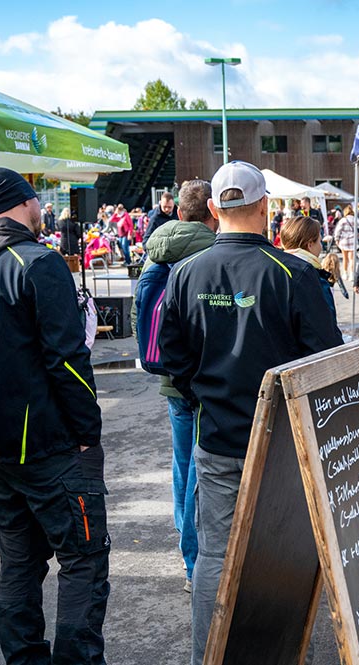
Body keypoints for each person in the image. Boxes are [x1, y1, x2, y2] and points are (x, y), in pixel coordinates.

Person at [157, 161, 342, 665]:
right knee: (283, 556)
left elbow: (166, 358)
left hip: (218, 439)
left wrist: (204, 388)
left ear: (215, 211)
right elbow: (328, 361)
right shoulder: (296, 274)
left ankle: (209, 656)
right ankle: (275, 652)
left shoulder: (184, 274)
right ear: (265, 208)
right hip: (284, 447)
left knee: (215, 559)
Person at [0, 167, 108, 663]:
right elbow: (68, 360)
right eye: (35, 199)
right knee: (83, 560)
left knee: (18, 561)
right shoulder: (36, 262)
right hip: (49, 448)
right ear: (21, 202)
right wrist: (87, 433)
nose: (41, 208)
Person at [137, 179, 218, 594]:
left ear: (178, 211)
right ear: (209, 210)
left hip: (168, 378)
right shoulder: (209, 251)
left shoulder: (156, 253)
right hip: (201, 378)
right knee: (201, 474)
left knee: (181, 464)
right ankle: (193, 562)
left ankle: (184, 547)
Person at [281, 215, 338, 319]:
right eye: (319, 241)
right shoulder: (312, 278)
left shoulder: (273, 270)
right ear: (310, 244)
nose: (321, 246)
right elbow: (327, 327)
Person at [333, 204, 358, 279]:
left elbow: (338, 231)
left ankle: (345, 273)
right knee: (352, 258)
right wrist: (357, 235)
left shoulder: (343, 220)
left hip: (344, 241)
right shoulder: (355, 219)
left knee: (345, 258)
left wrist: (336, 239)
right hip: (353, 241)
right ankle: (352, 274)